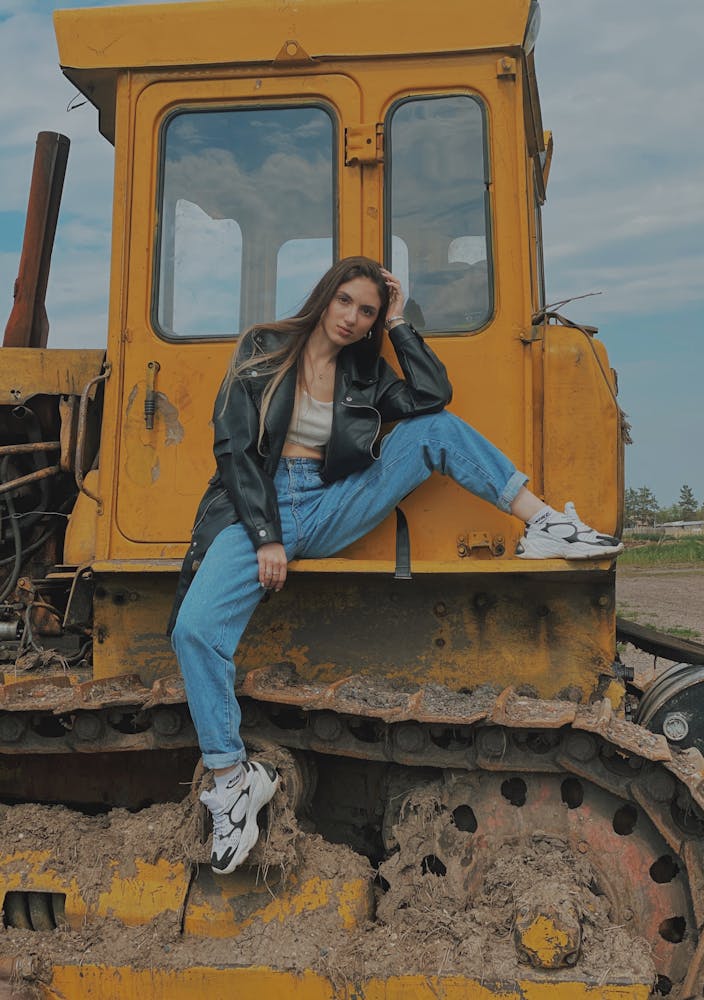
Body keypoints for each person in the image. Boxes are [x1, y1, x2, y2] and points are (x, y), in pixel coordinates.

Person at [168, 256, 622, 876]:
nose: (354, 319)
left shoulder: (364, 369)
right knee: (194, 631)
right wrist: (266, 536)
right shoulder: (263, 349)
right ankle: (231, 779)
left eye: (368, 311)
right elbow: (234, 450)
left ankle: (544, 522)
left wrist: (402, 323)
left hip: (330, 506)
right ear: (325, 297)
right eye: (347, 303)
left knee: (434, 430)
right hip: (261, 507)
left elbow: (432, 396)